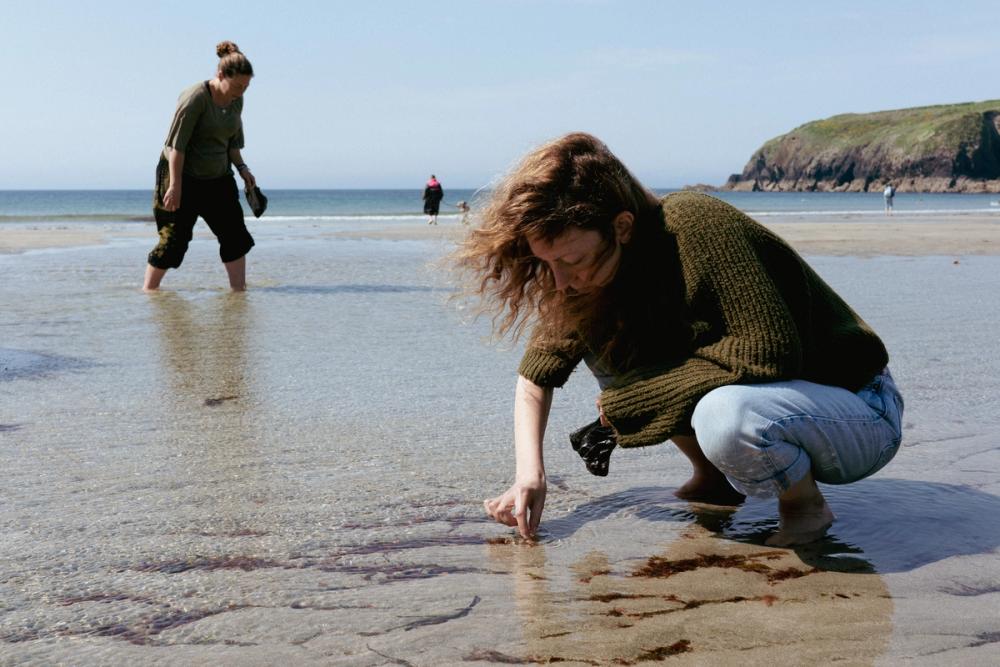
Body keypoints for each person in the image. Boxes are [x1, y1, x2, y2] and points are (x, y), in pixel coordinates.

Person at [456, 133, 903, 547]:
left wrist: (634, 401)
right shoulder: (590, 281)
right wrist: (529, 475)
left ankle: (804, 508)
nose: (561, 281)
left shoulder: (695, 224)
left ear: (623, 227)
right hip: (782, 411)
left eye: (573, 260)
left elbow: (770, 353)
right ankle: (712, 478)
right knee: (615, 351)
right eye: (547, 263)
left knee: (725, 415)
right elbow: (537, 374)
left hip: (859, 410)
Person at [143, 41, 258, 291]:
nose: (242, 91)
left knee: (235, 236)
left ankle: (239, 294)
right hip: (181, 173)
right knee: (175, 240)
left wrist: (243, 169)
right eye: (238, 85)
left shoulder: (236, 100)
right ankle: (149, 292)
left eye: (247, 86)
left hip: (218, 176)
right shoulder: (195, 98)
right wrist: (175, 186)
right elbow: (176, 147)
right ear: (220, 75)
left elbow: (232, 144)